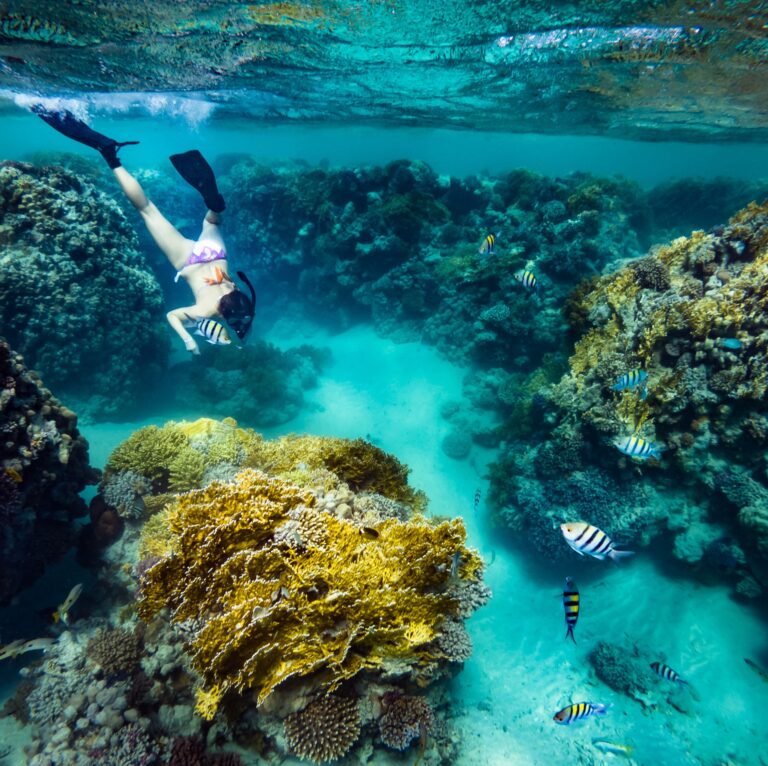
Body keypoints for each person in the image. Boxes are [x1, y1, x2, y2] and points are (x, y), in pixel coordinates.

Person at [33, 107, 256, 355]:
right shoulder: (207, 312)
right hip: (189, 261)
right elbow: (172, 316)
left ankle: (214, 207)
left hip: (215, 254)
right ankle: (110, 156)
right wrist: (188, 340)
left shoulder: (240, 297)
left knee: (212, 222)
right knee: (146, 209)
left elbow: (241, 311)